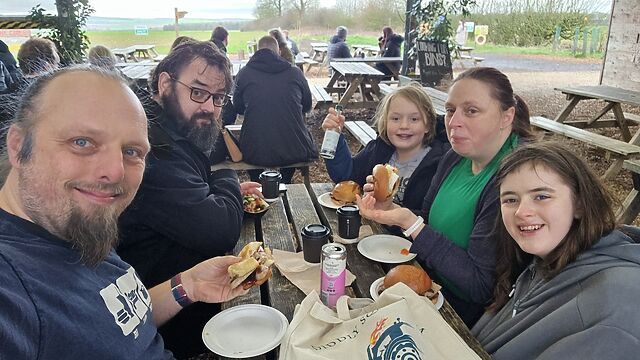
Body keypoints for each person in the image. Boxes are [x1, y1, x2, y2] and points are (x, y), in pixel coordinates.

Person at [0, 65, 246, 359]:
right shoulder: (12, 289)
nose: (115, 172)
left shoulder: (76, 228)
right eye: (82, 142)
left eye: (131, 151)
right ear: (17, 146)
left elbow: (114, 325)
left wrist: (187, 285)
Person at [357, 67, 536, 326]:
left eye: (471, 111)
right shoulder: (454, 158)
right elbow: (428, 221)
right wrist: (389, 208)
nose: (453, 122)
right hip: (425, 281)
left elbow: (479, 287)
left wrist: (411, 224)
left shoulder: (514, 178)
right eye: (451, 110)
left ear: (506, 116)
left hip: (465, 314)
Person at [117, 40, 259, 358]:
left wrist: (216, 190)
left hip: (180, 294)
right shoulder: (152, 148)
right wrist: (226, 177)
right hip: (164, 331)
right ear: (165, 83)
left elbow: (199, 194)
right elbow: (219, 229)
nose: (209, 107)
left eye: (218, 97)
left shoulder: (167, 130)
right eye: (197, 92)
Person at [472, 141, 640, 359]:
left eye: (541, 196)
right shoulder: (546, 259)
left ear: (579, 203)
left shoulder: (616, 308)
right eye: (511, 199)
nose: (521, 212)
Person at [322, 82, 449, 212]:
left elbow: (432, 216)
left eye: (414, 119)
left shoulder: (439, 164)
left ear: (428, 125)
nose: (404, 125)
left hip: (408, 231)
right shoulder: (378, 150)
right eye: (395, 118)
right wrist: (334, 137)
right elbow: (346, 176)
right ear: (385, 122)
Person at [233, 36, 317, 184]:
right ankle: (285, 181)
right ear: (278, 51)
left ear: (256, 51)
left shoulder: (244, 73)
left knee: (251, 148)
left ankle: (257, 182)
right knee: (292, 146)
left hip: (254, 149)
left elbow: (238, 108)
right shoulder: (295, 72)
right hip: (293, 148)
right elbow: (308, 105)